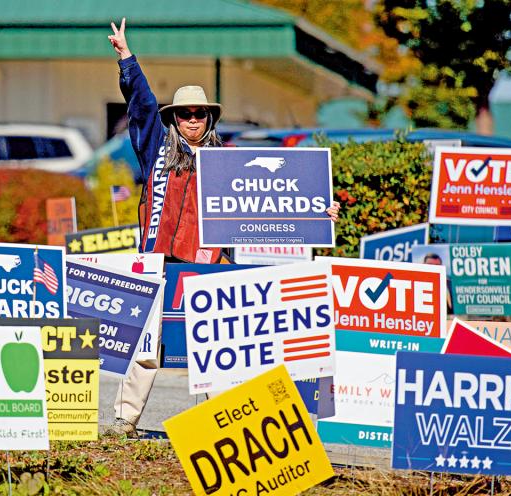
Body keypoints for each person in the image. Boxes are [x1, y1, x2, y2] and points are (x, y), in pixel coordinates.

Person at [106, 18, 341, 436]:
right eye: (184, 113)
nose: (191, 119)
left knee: (215, 347)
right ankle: (125, 421)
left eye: (198, 114)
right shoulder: (156, 148)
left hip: (209, 263)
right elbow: (141, 105)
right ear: (175, 117)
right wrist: (127, 58)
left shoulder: (229, 162)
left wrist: (319, 213)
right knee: (147, 347)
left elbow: (277, 201)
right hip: (157, 261)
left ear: (208, 118)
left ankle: (221, 427)